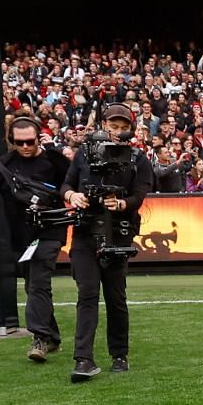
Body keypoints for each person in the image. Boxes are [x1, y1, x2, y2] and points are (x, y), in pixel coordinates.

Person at [0, 115, 71, 364]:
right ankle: (53, 336)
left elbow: (73, 178)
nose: (25, 146)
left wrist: (55, 150)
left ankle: (40, 338)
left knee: (38, 281)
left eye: (30, 141)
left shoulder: (52, 160)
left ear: (38, 138)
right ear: (11, 140)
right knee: (32, 285)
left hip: (50, 230)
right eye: (19, 142)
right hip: (22, 237)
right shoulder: (4, 165)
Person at [62, 102, 153, 381]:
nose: (117, 132)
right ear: (104, 125)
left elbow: (140, 195)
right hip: (85, 233)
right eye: (113, 126)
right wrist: (71, 197)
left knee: (115, 298)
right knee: (87, 294)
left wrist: (123, 203)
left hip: (117, 233)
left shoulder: (138, 159)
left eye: (123, 128)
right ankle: (83, 358)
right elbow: (66, 184)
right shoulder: (83, 155)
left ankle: (119, 354)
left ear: (131, 131)